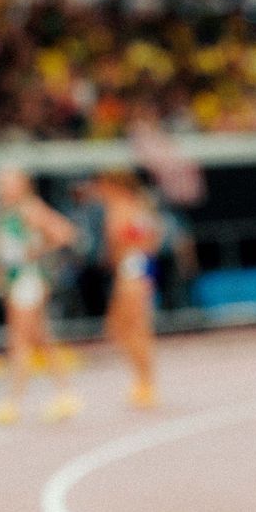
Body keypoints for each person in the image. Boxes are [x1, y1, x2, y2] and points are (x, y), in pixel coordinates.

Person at [0, 168, 82, 425]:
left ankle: (14, 401)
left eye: (7, 183)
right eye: (0, 183)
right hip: (16, 281)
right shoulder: (8, 211)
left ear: (23, 185)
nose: (1, 189)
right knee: (41, 340)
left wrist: (39, 250)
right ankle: (64, 393)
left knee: (20, 341)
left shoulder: (30, 208)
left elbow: (66, 232)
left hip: (28, 281)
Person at [95, 173, 162, 409]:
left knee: (134, 327)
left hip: (132, 267)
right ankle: (142, 379)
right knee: (123, 327)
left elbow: (140, 238)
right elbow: (153, 236)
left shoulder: (124, 207)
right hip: (133, 266)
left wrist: (135, 255)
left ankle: (146, 381)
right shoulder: (134, 206)